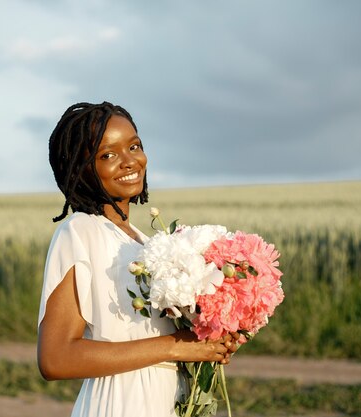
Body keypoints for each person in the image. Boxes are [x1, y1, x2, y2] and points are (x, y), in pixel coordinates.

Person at [37, 101, 239, 417]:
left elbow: (167, 336)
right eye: (107, 155)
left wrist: (210, 340)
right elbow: (55, 358)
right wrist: (176, 346)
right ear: (81, 167)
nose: (129, 161)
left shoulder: (147, 243)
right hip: (119, 404)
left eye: (134, 146)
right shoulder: (80, 232)